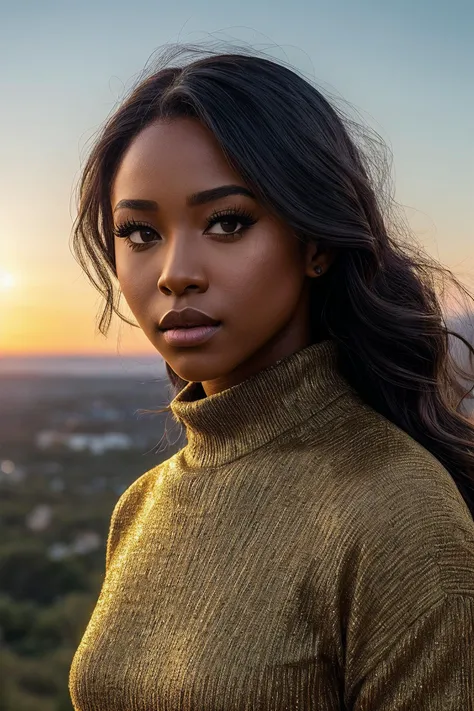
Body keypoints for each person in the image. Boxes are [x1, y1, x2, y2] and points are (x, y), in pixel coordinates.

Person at [68, 47, 474, 710]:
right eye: (140, 231)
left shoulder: (401, 512)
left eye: (228, 222)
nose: (174, 271)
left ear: (314, 242)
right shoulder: (140, 507)